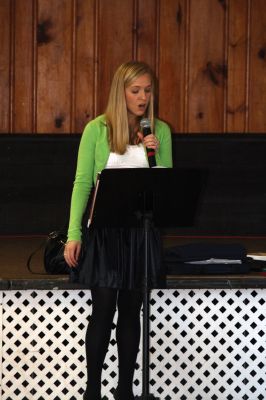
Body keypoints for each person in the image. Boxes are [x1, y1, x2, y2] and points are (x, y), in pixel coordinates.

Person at [64, 61, 173, 400]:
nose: (143, 97)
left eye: (147, 90)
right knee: (103, 309)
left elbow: (165, 185)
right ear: (120, 91)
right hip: (106, 234)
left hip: (140, 233)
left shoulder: (160, 131)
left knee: (131, 310)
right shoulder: (97, 129)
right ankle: (92, 392)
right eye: (135, 90)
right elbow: (83, 182)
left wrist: (153, 154)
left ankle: (125, 390)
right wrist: (74, 234)